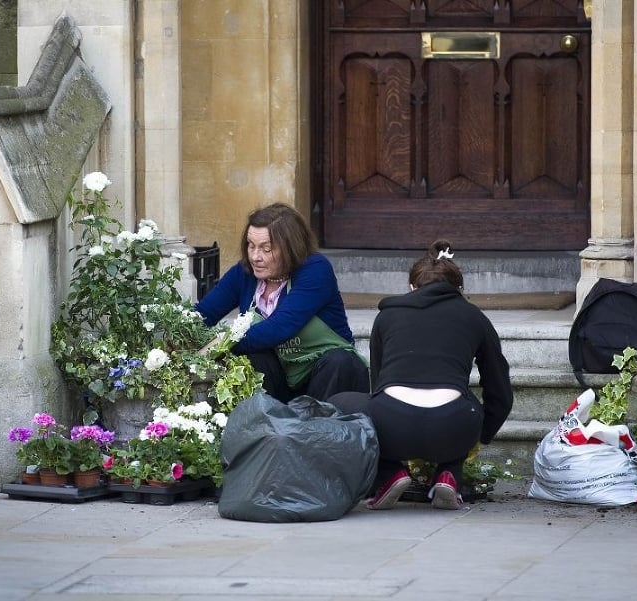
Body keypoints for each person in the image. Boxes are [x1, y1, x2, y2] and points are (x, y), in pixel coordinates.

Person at [328, 240, 513, 510]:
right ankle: (449, 474)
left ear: (411, 288)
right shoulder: (475, 318)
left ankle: (390, 473)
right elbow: (500, 393)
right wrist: (480, 435)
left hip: (392, 427)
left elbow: (379, 385)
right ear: (459, 290)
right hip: (454, 427)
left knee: (338, 403)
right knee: (468, 404)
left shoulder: (386, 316)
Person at [195, 202, 369, 403]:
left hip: (328, 379)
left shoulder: (315, 269)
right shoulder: (244, 274)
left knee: (339, 361)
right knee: (255, 357)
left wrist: (221, 344)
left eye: (266, 249)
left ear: (291, 248)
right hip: (280, 380)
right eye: (251, 245)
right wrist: (172, 333)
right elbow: (204, 313)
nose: (255, 256)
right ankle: (266, 428)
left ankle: (317, 431)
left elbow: (280, 327)